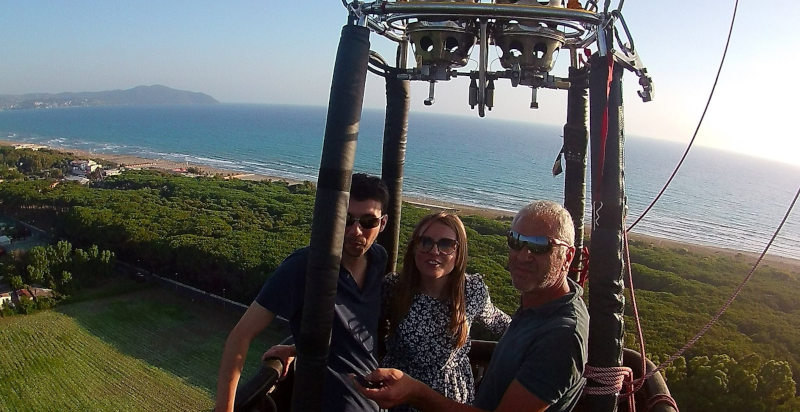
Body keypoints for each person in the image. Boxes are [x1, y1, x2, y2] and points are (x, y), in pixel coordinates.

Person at [356, 200, 589, 412]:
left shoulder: (560, 335)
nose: (523, 255)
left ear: (567, 257)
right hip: (400, 398)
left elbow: (496, 320)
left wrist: (416, 392)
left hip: (446, 398)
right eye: (516, 241)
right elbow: (362, 323)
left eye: (539, 245)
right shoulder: (394, 288)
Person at [214, 173, 390, 412]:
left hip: (373, 403)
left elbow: (351, 334)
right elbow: (240, 336)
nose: (356, 231)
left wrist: (296, 349)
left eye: (368, 222)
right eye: (347, 219)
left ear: (383, 224)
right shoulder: (305, 266)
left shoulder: (378, 260)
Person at [381, 212, 510, 411]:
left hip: (452, 399)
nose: (434, 251)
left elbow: (499, 322)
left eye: (446, 244)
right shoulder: (394, 287)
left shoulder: (471, 290)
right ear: (414, 246)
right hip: (400, 394)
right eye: (425, 242)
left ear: (459, 252)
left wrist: (542, 338)